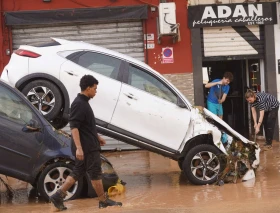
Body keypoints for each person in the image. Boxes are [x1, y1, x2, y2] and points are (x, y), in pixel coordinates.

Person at [50, 75, 122, 210]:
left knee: (78, 171)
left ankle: (58, 195)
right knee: (95, 173)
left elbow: (86, 125)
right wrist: (79, 148)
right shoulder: (79, 104)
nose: (96, 91)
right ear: (88, 88)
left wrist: (97, 137)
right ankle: (103, 200)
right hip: (86, 147)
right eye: (95, 88)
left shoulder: (83, 103)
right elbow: (74, 127)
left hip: (87, 145)